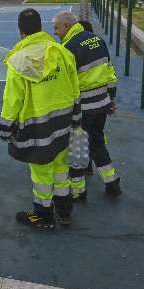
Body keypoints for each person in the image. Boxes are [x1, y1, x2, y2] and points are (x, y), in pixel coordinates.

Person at [0, 9, 81, 229]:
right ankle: (64, 211)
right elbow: (74, 88)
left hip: (38, 126)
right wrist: (76, 116)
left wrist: (5, 126)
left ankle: (43, 216)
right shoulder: (61, 52)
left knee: (42, 171)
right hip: (64, 122)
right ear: (41, 27)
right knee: (61, 166)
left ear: (21, 31)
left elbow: (12, 98)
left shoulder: (19, 60)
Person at [53, 12, 122, 200]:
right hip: (102, 104)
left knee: (77, 148)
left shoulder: (67, 48)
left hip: (83, 108)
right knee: (97, 142)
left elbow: (65, 84)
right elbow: (110, 73)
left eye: (57, 28)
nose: (55, 32)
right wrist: (111, 98)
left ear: (67, 26)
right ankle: (112, 182)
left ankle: (78, 191)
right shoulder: (97, 40)